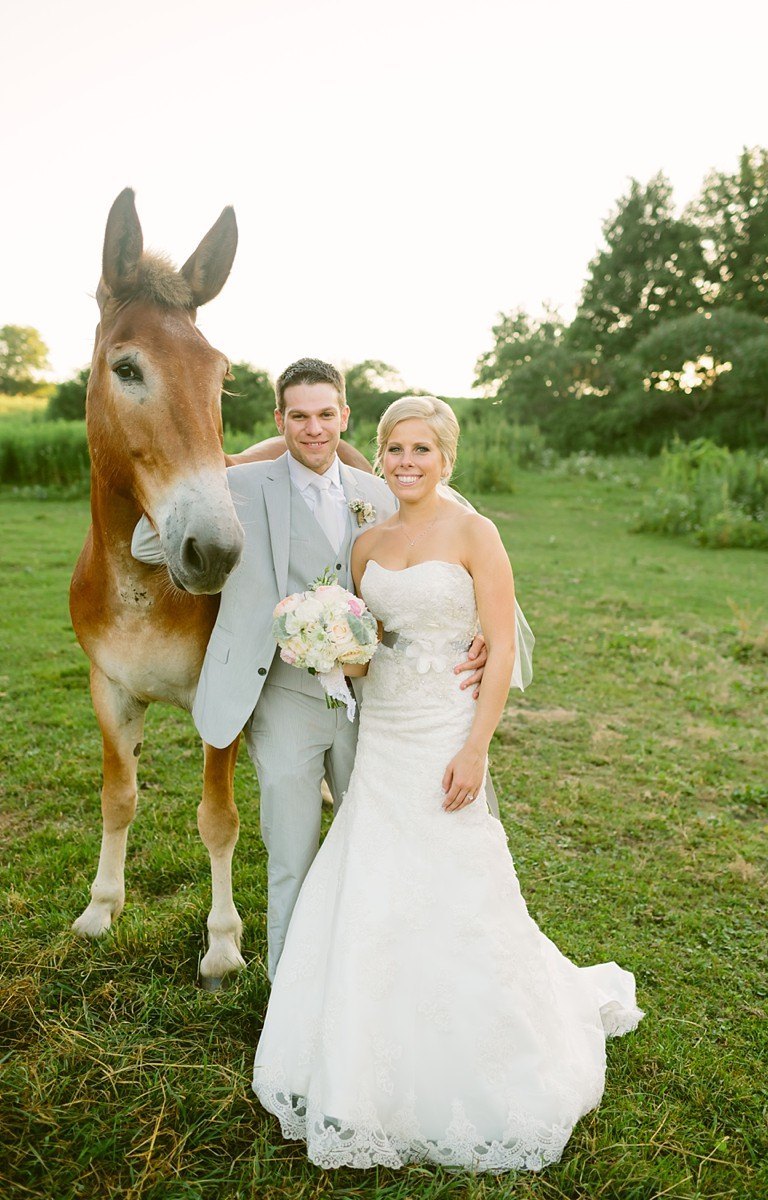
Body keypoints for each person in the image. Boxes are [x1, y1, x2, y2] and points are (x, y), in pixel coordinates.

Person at [252, 395, 643, 1173]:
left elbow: (498, 649)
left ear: (447, 457)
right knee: (373, 877)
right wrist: (328, 642)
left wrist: (476, 747)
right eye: (394, 448)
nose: (404, 462)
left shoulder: (475, 533)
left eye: (421, 449)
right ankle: (363, 1047)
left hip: (446, 731)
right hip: (386, 732)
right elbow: (370, 646)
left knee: (457, 878)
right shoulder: (367, 542)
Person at [130, 359, 488, 982]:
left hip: (371, 706)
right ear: (280, 420)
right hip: (280, 700)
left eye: (326, 415)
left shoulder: (377, 493)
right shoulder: (238, 484)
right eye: (299, 415)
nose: (314, 428)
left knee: (372, 847)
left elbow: (440, 560)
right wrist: (204, 503)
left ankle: (372, 983)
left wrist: (474, 630)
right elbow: (144, 543)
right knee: (291, 857)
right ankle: (288, 999)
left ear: (344, 417)